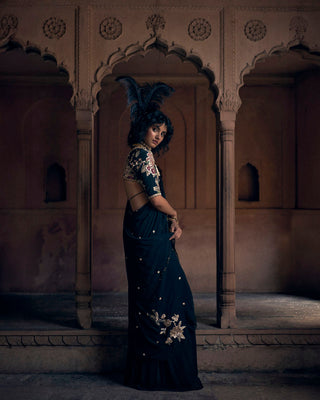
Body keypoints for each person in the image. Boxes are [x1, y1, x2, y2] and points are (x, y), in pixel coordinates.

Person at [117, 76, 203, 391]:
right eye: (156, 129)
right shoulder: (141, 154)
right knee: (168, 297)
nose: (158, 136)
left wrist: (169, 221)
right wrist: (175, 214)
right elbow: (155, 199)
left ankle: (154, 373)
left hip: (146, 228)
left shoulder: (141, 154)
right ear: (142, 126)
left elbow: (152, 201)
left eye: (163, 133)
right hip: (146, 232)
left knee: (161, 296)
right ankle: (162, 373)